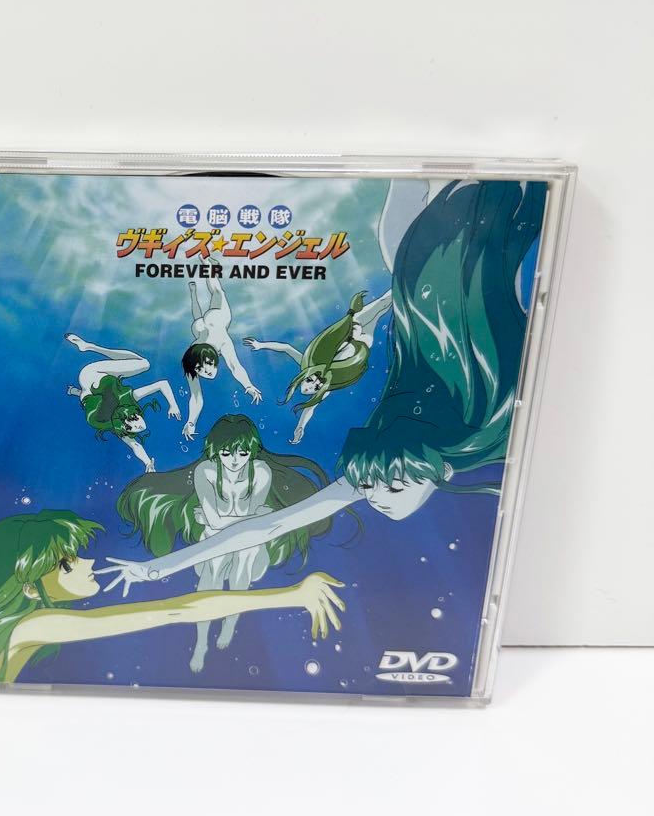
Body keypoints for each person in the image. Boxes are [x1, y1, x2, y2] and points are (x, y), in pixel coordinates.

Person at [98, 178, 547, 595]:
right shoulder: (492, 415)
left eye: (376, 489)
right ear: (443, 472)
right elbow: (266, 526)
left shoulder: (388, 465)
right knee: (435, 236)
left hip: (419, 289)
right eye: (383, 488)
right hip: (464, 291)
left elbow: (267, 527)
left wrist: (157, 569)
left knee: (407, 227)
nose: (374, 497)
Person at [0, 510, 345, 683]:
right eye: (67, 564)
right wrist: (290, 595)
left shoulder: (15, 623)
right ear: (27, 585)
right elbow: (176, 611)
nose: (88, 562)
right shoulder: (32, 625)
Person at [116, 413, 340, 672]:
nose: (235, 460)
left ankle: (230, 624)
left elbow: (242, 527)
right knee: (214, 567)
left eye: (242, 453)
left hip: (249, 546)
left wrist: (233, 520)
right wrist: (249, 518)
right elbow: (234, 520)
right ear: (215, 451)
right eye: (226, 453)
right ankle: (201, 641)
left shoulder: (261, 471)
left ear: (252, 451)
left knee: (244, 555)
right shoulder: (206, 471)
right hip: (214, 543)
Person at [244, 289, 391, 443]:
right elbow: (310, 408)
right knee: (381, 311)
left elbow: (286, 348)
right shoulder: (329, 385)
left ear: (303, 378)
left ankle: (402, 282)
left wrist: (261, 345)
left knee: (382, 304)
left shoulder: (307, 364)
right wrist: (300, 427)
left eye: (309, 381)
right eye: (315, 387)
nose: (311, 386)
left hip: (353, 327)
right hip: (362, 343)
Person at [65, 332, 180, 471]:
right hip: (86, 385)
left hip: (93, 372)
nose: (139, 424)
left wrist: (173, 405)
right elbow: (135, 445)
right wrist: (148, 463)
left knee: (144, 363)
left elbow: (162, 384)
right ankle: (88, 351)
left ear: (129, 420)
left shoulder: (127, 399)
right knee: (94, 394)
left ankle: (90, 347)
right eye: (138, 425)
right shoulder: (115, 421)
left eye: (135, 425)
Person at [181, 276, 262, 440]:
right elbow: (196, 397)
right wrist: (191, 422)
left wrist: (248, 385)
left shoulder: (222, 340)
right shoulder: (191, 360)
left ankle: (208, 266)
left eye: (208, 364)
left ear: (214, 357)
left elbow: (234, 366)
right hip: (201, 326)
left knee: (218, 291)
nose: (207, 371)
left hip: (219, 318)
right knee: (197, 319)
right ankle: (193, 293)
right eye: (200, 369)